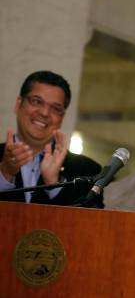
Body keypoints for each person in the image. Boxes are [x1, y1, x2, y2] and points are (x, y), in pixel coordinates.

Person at [0, 70, 102, 206]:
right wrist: (5, 174)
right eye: (37, 101)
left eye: (55, 108)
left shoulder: (87, 172)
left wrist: (53, 185)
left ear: (62, 117)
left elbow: (93, 223)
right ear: (19, 104)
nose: (44, 113)